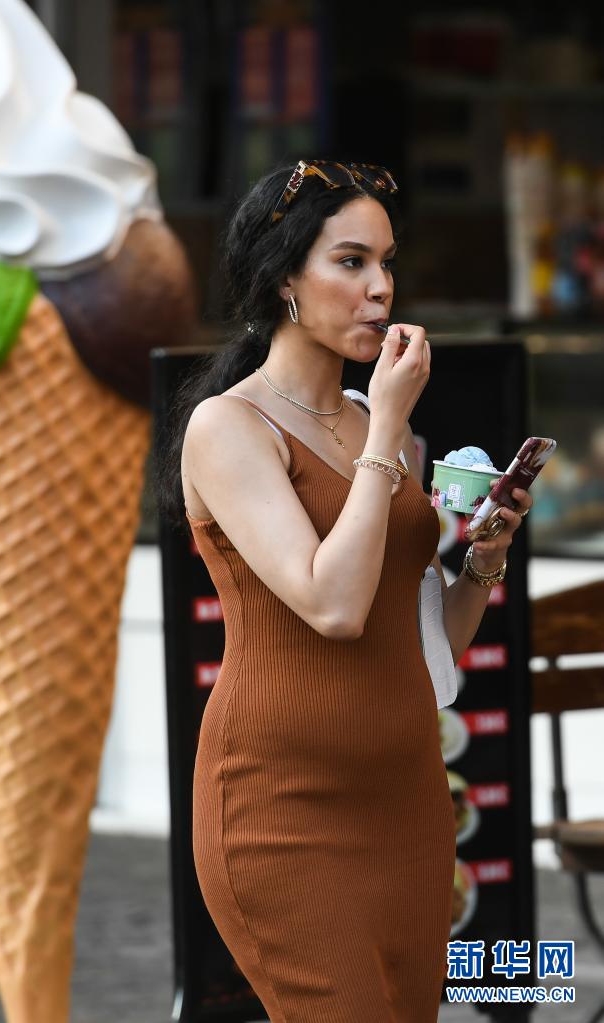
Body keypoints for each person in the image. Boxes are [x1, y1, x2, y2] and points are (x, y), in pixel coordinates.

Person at [154, 159, 533, 1023]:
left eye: (386, 262)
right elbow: (331, 606)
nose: (380, 288)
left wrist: (484, 556)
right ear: (282, 278)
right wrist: (388, 429)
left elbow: (426, 644)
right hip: (283, 809)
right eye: (351, 262)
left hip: (409, 800)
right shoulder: (229, 426)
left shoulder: (377, 428)